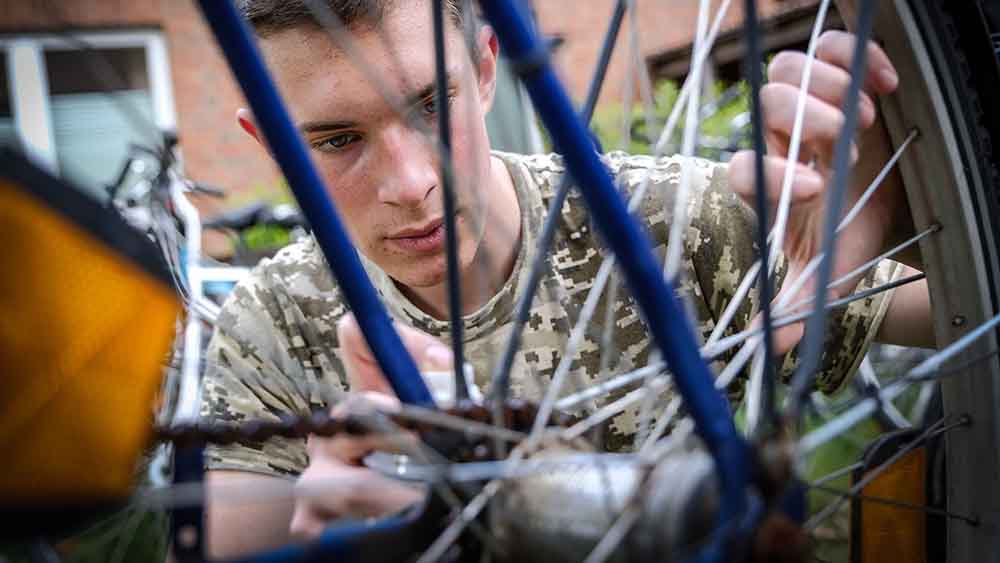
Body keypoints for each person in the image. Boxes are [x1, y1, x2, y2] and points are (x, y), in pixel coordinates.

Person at [200, 0, 932, 557]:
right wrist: (330, 532)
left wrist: (911, 211)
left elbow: (956, 310)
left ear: (486, 69)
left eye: (430, 105)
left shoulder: (666, 221)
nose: (411, 182)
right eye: (337, 140)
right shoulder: (272, 324)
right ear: (270, 142)